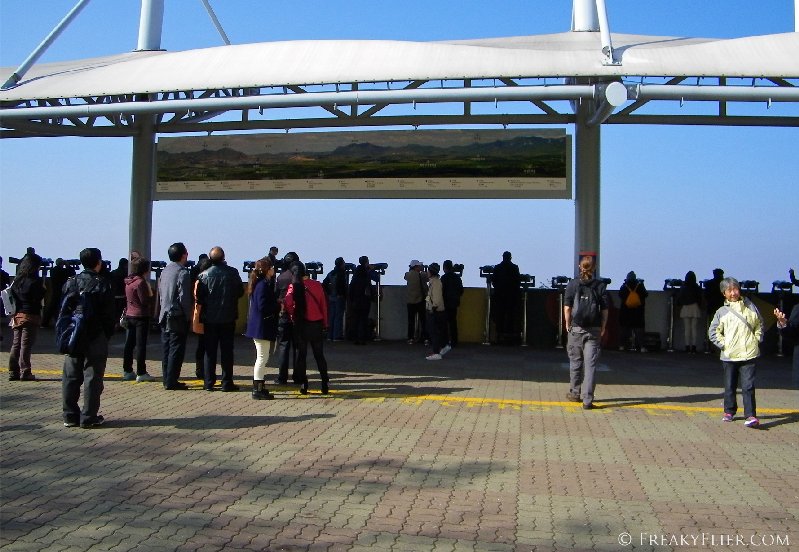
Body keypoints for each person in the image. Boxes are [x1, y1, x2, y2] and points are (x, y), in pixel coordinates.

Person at [60, 247, 115, 428]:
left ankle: (69, 415)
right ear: (98, 262)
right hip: (95, 333)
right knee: (92, 376)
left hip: (73, 333)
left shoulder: (71, 282)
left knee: (71, 374)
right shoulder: (103, 283)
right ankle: (89, 416)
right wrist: (105, 334)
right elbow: (109, 314)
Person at [708, 277, 764, 428]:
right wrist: (724, 344)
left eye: (735, 289)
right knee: (730, 385)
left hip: (749, 353)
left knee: (748, 386)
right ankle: (729, 411)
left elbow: (759, 324)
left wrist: (756, 340)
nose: (733, 293)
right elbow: (713, 331)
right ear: (724, 294)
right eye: (729, 290)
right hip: (730, 355)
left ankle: (750, 415)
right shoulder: (721, 312)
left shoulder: (750, 307)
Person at [563, 255, 609, 410]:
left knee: (575, 362)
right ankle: (587, 400)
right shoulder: (600, 285)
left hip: (576, 328)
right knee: (590, 365)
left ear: (579, 266)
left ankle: (575, 393)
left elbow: (568, 307)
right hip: (594, 330)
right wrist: (603, 326)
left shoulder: (573, 284)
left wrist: (567, 323)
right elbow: (604, 309)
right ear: (594, 268)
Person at [196, 246, 244, 392]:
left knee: (209, 351)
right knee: (227, 351)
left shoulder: (203, 275)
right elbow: (240, 292)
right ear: (224, 257)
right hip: (228, 317)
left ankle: (208, 382)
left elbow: (199, 297)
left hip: (210, 318)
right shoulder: (233, 272)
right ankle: (226, 382)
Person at [284, 261, 330, 394]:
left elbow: (287, 302)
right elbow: (323, 306)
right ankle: (324, 383)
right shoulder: (317, 285)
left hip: (301, 324)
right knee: (319, 355)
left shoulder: (293, 286)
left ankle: (304, 384)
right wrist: (325, 323)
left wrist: (293, 314)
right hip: (316, 324)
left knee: (302, 356)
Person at [157, 242, 192, 391]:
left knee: (166, 348)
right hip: (177, 315)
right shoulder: (182, 272)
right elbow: (184, 297)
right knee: (176, 349)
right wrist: (188, 315)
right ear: (184, 255)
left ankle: (166, 378)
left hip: (164, 314)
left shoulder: (165, 271)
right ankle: (172, 380)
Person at [244, 257, 278, 400]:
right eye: (272, 268)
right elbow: (263, 306)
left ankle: (259, 386)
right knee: (262, 358)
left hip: (258, 326)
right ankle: (257, 388)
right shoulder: (263, 285)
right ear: (267, 270)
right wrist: (277, 306)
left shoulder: (258, 283)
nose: (274, 270)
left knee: (262, 357)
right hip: (261, 327)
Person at [8, 254, 46, 381]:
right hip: (30, 315)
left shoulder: (17, 281)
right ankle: (25, 371)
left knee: (16, 344)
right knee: (26, 345)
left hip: (17, 315)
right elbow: (38, 297)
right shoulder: (35, 281)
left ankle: (13, 371)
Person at [122, 257, 155, 382]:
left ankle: (127, 370)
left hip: (130, 315)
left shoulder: (129, 281)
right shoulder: (141, 282)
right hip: (141, 316)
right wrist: (150, 295)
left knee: (129, 344)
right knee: (141, 345)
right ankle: (141, 372)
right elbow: (144, 301)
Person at [274, 251, 300, 384]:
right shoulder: (299, 278)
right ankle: (298, 376)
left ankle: (282, 377)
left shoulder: (281, 277)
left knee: (283, 346)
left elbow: (276, 296)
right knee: (297, 347)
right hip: (297, 316)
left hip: (283, 315)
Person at [490, 251, 521, 344]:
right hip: (511, 296)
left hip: (499, 296)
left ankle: (499, 336)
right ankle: (509, 337)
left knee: (500, 316)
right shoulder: (515, 268)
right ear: (510, 258)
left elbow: (494, 282)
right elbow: (517, 282)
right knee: (510, 316)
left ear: (502, 257)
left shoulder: (498, 268)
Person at [191, 255, 212, 380]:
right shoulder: (205, 281)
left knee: (201, 344)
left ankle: (200, 369)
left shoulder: (197, 281)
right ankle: (205, 370)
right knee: (207, 344)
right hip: (206, 315)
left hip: (198, 314)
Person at [618, 270, 648, 352]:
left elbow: (620, 295)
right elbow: (645, 294)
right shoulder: (640, 285)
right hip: (638, 311)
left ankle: (622, 346)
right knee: (639, 330)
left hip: (625, 311)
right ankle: (642, 347)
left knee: (624, 330)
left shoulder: (624, 286)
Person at [348, 255, 375, 345]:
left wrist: (351, 299)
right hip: (365, 300)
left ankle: (355, 338)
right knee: (363, 320)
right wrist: (371, 269)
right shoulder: (366, 274)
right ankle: (362, 338)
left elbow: (351, 288)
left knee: (356, 319)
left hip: (356, 300)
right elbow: (376, 279)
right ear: (366, 262)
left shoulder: (355, 274)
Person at [424, 263, 448, 360]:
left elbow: (437, 298)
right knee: (437, 331)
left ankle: (436, 352)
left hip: (435, 311)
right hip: (436, 310)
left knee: (434, 332)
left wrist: (433, 308)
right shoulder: (433, 282)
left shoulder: (436, 283)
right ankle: (443, 347)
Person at [42, 258, 75, 327]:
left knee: (52, 307)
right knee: (62, 307)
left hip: (55, 290)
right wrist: (68, 265)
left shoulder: (53, 270)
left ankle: (45, 322)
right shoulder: (62, 271)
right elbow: (72, 273)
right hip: (62, 291)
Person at [676, 271, 703, 354]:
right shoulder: (696, 287)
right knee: (694, 328)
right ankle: (694, 347)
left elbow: (679, 298)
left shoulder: (684, 287)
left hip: (685, 308)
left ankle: (687, 347)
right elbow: (700, 297)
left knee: (687, 329)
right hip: (694, 307)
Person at [323, 256, 348, 341]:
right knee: (338, 317)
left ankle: (330, 335)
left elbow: (324, 284)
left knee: (332, 316)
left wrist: (329, 292)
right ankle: (337, 336)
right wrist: (342, 294)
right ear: (341, 264)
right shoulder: (341, 273)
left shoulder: (331, 273)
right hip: (339, 297)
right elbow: (343, 286)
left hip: (331, 297)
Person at [440, 260, 464, 348]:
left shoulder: (443, 278)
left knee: (444, 323)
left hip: (445, 303)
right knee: (453, 322)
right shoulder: (457, 278)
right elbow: (461, 290)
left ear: (444, 268)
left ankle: (445, 341)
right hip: (454, 303)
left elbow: (440, 291)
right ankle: (454, 341)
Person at [404, 260, 428, 344]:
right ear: (416, 267)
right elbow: (428, 278)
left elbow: (406, 276)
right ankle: (425, 338)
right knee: (423, 320)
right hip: (420, 300)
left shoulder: (407, 274)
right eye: (419, 266)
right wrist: (424, 270)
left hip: (410, 301)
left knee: (411, 321)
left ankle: (410, 338)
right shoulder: (422, 274)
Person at [109, 258, 128, 328]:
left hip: (114, 296)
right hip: (122, 296)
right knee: (121, 312)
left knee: (114, 312)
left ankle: (114, 325)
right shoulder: (125, 274)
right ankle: (119, 325)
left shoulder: (113, 273)